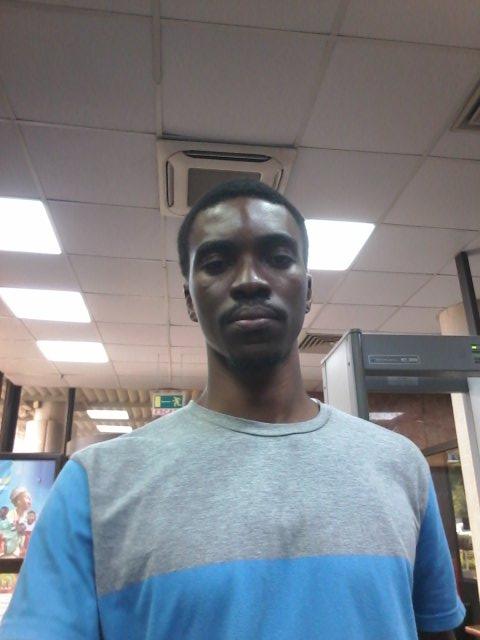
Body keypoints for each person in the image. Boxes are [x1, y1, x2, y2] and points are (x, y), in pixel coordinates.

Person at [0, 180, 465, 639]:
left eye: (277, 258)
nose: (250, 281)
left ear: (306, 290)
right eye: (217, 263)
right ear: (189, 299)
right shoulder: (96, 486)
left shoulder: (400, 466)